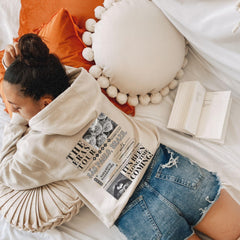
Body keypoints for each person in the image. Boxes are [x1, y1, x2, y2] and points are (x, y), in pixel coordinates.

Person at [1, 33, 240, 240]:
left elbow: (7, 172)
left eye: (16, 106)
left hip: (129, 205)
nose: (14, 110)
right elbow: (56, 77)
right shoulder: (84, 85)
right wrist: (21, 72)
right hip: (166, 167)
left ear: (45, 103)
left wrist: (17, 119)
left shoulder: (37, 147)